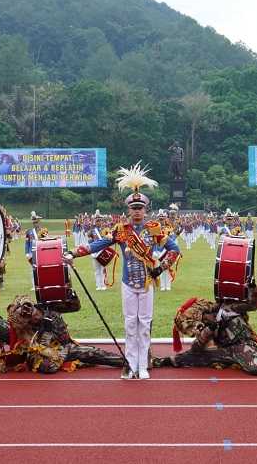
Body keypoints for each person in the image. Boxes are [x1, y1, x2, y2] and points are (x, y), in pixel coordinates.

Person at [65, 162, 180, 380]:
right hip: (128, 283)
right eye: (133, 208)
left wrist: (161, 267)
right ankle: (130, 365)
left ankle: (143, 365)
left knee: (144, 324)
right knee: (129, 324)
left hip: (147, 283)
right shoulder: (120, 231)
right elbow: (98, 245)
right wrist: (73, 253)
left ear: (145, 209)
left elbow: (174, 249)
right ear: (128, 210)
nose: (137, 212)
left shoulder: (154, 229)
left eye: (140, 208)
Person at [157, 296, 257, 375]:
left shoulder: (227, 308)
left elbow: (252, 305)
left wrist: (251, 287)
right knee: (194, 356)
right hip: (225, 350)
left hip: (243, 344)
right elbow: (196, 347)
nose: (196, 329)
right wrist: (209, 329)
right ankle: (165, 361)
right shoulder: (206, 326)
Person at [0, 295, 124, 373]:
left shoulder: (49, 307)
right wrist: (44, 338)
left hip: (65, 346)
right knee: (48, 367)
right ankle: (75, 357)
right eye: (31, 319)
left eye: (35, 313)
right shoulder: (27, 330)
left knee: (94, 353)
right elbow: (30, 348)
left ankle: (126, 362)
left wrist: (71, 295)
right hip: (46, 352)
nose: (35, 317)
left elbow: (75, 306)